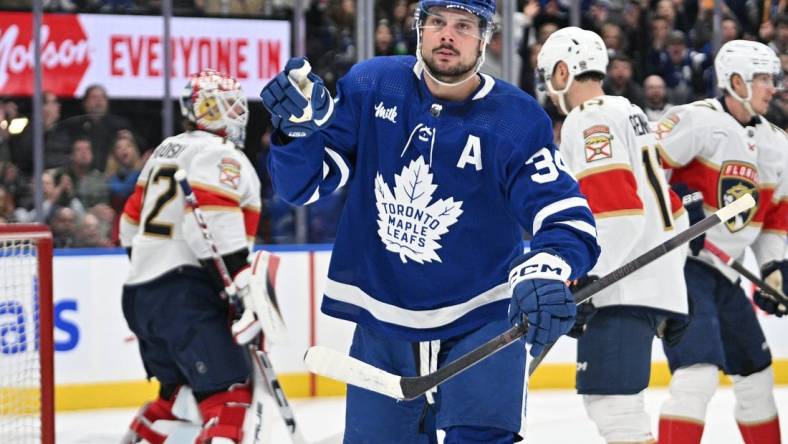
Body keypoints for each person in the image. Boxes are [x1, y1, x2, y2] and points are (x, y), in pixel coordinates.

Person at [260, 1, 600, 442]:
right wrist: (295, 134)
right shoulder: (372, 85)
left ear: (484, 39)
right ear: (419, 28)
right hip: (383, 320)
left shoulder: (515, 119)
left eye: (463, 26)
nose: (448, 35)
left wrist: (548, 266)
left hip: (482, 317)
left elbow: (562, 211)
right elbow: (302, 187)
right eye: (437, 22)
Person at [536, 27, 691, 444]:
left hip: (619, 285)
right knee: (618, 405)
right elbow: (672, 213)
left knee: (613, 403)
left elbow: (618, 212)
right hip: (648, 281)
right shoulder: (630, 112)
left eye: (549, 77)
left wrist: (586, 280)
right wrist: (673, 289)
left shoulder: (588, 118)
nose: (550, 91)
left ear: (565, 72)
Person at [654, 40, 787, 444]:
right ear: (735, 81)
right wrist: (680, 202)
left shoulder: (778, 143)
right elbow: (645, 166)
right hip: (683, 266)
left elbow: (776, 217)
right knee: (698, 375)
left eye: (772, 78)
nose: (772, 87)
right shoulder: (694, 120)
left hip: (725, 272)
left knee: (757, 378)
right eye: (762, 78)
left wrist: (773, 268)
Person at [119, 69, 262, 443]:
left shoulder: (165, 150)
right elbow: (209, 229)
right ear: (205, 109)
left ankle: (146, 432)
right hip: (185, 296)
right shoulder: (221, 155)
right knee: (229, 398)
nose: (235, 113)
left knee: (179, 397)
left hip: (140, 295)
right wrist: (240, 293)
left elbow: (128, 227)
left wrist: (153, 269)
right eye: (226, 106)